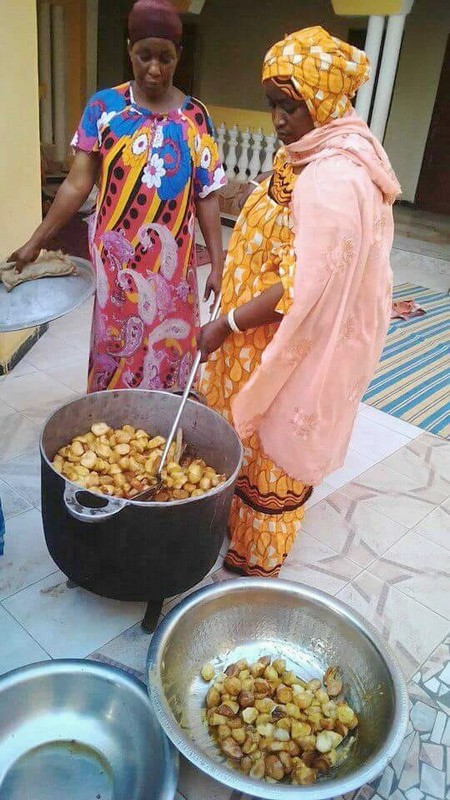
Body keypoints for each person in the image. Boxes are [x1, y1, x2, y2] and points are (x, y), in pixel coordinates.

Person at [199, 26, 401, 577]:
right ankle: (234, 527)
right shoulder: (305, 151)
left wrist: (228, 323)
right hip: (252, 337)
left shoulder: (337, 177)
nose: (278, 120)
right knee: (247, 436)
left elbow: (303, 289)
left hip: (283, 345)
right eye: (272, 105)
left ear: (324, 100)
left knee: (274, 446)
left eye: (289, 106)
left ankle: (257, 560)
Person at [10, 0, 225, 393]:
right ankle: (110, 422)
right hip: (116, 265)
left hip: (173, 272)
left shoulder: (196, 117)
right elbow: (76, 184)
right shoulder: (104, 109)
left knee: (169, 353)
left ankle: (162, 424)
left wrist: (218, 262)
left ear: (179, 55)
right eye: (144, 56)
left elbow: (207, 195)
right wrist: (35, 242)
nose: (154, 68)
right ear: (129, 49)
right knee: (116, 350)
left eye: (165, 58)